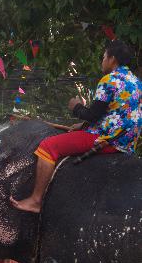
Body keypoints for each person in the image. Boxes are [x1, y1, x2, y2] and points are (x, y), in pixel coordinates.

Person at [11, 40, 141, 213]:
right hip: (127, 141)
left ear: (112, 59)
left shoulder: (109, 80)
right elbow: (114, 113)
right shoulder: (136, 82)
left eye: (103, 57)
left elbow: (93, 114)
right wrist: (83, 125)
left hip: (107, 139)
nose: (102, 61)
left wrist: (76, 107)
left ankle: (35, 200)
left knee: (48, 147)